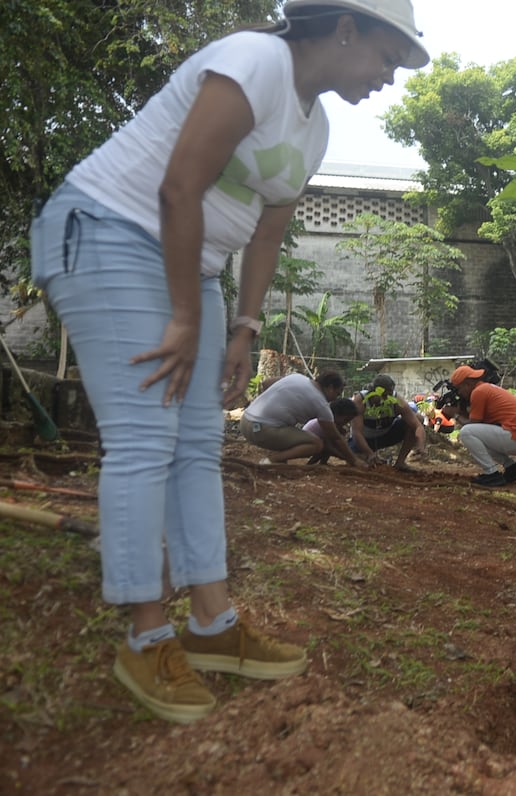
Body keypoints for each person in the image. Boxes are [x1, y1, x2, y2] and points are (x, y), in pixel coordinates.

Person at [28, 0, 430, 722]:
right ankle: (144, 635)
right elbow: (179, 184)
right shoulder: (255, 61)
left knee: (195, 444)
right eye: (386, 58)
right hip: (107, 231)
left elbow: (269, 230)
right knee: (147, 438)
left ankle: (211, 625)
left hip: (196, 266)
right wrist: (187, 315)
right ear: (344, 28)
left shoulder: (317, 126)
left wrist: (242, 326)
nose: (388, 79)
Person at [243, 371, 365, 466]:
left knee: (289, 430)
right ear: (330, 387)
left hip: (245, 422)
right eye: (337, 393)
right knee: (316, 444)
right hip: (262, 430)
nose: (335, 399)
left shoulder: (297, 378)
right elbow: (335, 438)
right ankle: (270, 460)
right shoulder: (321, 404)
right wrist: (354, 460)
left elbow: (266, 383)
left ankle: (278, 461)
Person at [444, 365, 516, 488]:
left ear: (467, 383)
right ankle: (512, 468)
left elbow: (473, 424)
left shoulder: (479, 392)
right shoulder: (484, 388)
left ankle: (491, 473)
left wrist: (454, 415)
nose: (460, 393)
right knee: (477, 437)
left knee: (466, 432)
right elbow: (480, 425)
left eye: (459, 389)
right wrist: (460, 411)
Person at [348, 373, 426, 470]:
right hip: (364, 440)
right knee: (360, 462)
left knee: (418, 417)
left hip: (386, 435)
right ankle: (369, 455)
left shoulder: (396, 401)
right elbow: (357, 433)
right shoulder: (360, 401)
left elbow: (417, 425)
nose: (385, 399)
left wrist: (420, 445)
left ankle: (400, 463)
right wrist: (369, 453)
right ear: (373, 392)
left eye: (389, 395)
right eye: (383, 395)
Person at [303, 397, 360, 464]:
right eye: (346, 420)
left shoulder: (332, 424)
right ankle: (310, 464)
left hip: (316, 443)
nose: (346, 423)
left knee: (331, 442)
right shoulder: (326, 424)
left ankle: (323, 463)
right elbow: (328, 447)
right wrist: (347, 457)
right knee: (327, 446)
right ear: (335, 414)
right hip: (306, 444)